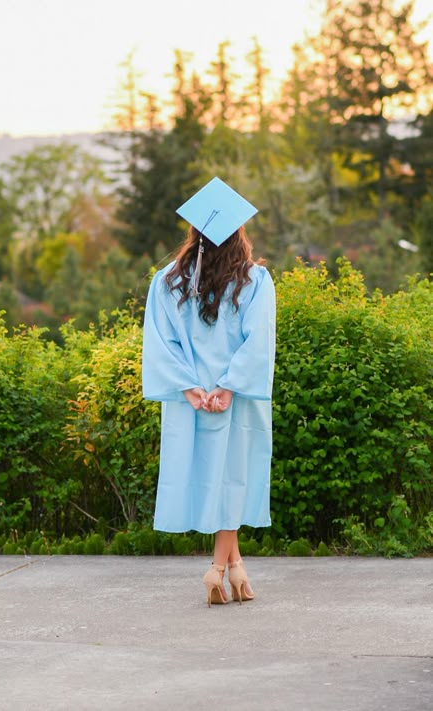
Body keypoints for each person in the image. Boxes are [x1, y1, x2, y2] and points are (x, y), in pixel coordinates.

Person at [142, 177, 276, 607]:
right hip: (235, 399)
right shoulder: (255, 281)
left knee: (213, 480)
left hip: (194, 402)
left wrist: (190, 388)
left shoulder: (167, 281)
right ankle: (217, 570)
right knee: (233, 479)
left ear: (193, 232)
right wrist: (229, 387)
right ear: (240, 233)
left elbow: (161, 341)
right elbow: (257, 343)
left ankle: (236, 570)